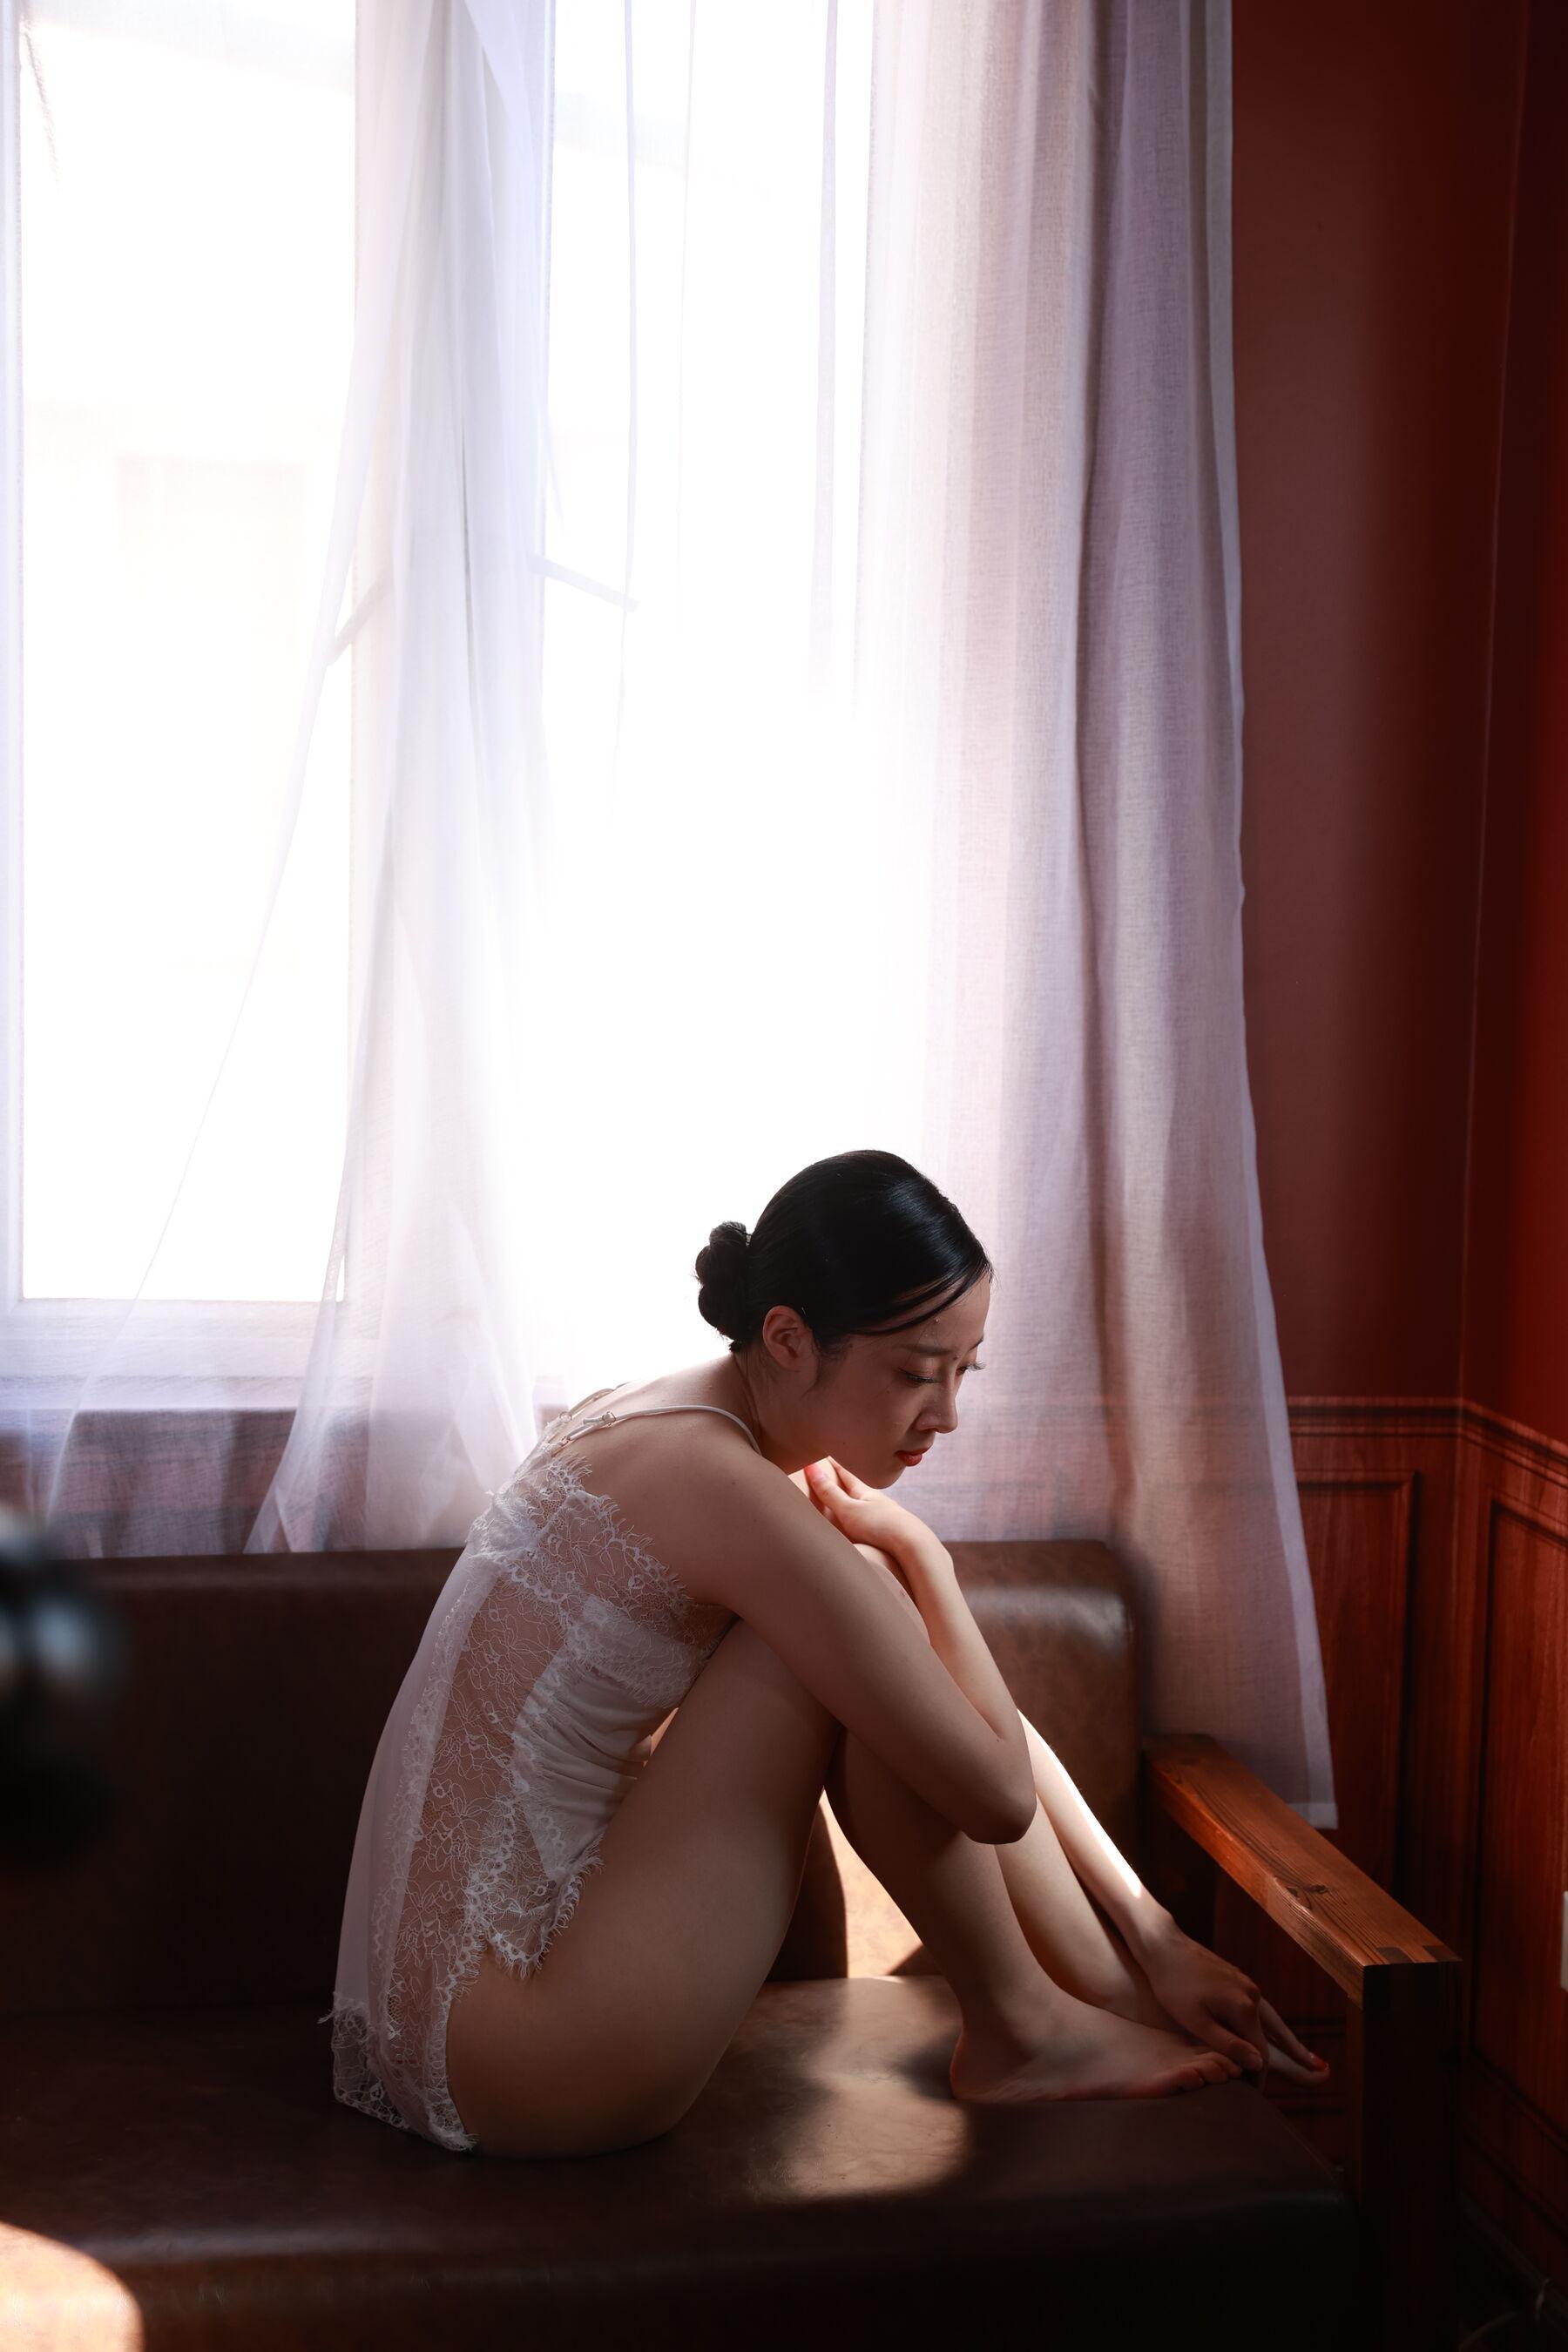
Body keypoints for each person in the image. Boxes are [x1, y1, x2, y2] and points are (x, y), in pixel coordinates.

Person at [325, 1148, 1328, 2158]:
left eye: (964, 1372)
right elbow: (994, 1794)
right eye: (915, 1374)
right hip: (520, 2056)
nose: (946, 1415)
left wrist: (1152, 1933)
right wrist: (927, 1562)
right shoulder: (720, 1484)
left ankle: (1088, 2002)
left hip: (459, 2023)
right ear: (789, 1338)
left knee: (862, 1634)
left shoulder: (671, 1414)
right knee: (855, 1619)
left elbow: (951, 1718)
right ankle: (1026, 2028)